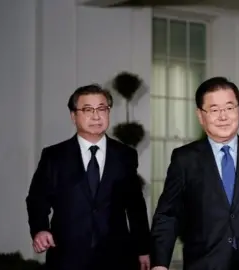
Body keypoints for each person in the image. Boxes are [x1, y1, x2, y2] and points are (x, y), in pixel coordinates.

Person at [150, 77, 239, 270]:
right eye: (214, 110)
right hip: (204, 263)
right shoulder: (185, 159)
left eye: (230, 108)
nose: (223, 116)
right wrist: (160, 263)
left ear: (238, 110)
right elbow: (168, 215)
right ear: (200, 115)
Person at [26, 85, 150, 270]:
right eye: (87, 110)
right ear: (73, 116)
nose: (96, 116)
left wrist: (143, 249)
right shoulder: (55, 156)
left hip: (117, 256)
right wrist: (40, 229)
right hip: (67, 257)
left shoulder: (125, 155)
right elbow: (37, 198)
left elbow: (135, 206)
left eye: (102, 109)